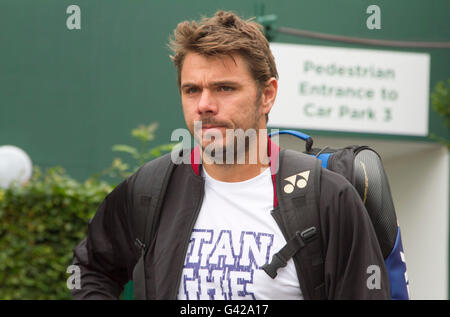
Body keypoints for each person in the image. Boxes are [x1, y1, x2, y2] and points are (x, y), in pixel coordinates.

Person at [71, 10, 390, 300]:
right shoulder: (151, 188)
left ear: (267, 95)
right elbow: (92, 269)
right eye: (192, 89)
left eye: (225, 88)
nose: (204, 105)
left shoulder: (327, 199)